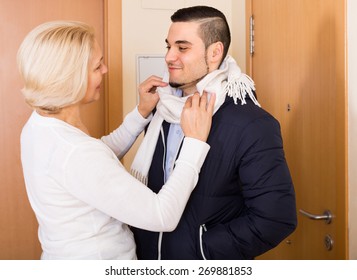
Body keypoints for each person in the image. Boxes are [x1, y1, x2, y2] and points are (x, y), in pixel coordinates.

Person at [17, 20, 215, 260]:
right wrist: (194, 143)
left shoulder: (39, 124)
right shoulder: (76, 152)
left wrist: (140, 113)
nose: (105, 70)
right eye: (97, 66)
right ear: (71, 77)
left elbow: (98, 158)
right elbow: (162, 215)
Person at [131, 6, 297, 260]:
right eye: (169, 46)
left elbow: (275, 219)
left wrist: (201, 249)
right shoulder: (160, 111)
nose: (169, 57)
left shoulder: (252, 124)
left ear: (215, 52)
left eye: (182, 48)